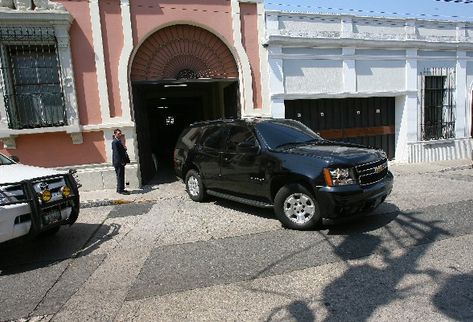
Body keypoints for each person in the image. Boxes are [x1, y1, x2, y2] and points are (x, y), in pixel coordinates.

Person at [112, 128, 129, 194]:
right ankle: (120, 190)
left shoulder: (118, 141)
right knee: (119, 176)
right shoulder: (115, 142)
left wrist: (124, 149)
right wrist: (121, 161)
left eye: (120, 133)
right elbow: (116, 153)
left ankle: (121, 188)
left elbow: (121, 151)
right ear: (115, 134)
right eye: (118, 133)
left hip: (120, 162)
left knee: (121, 175)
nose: (120, 135)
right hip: (118, 162)